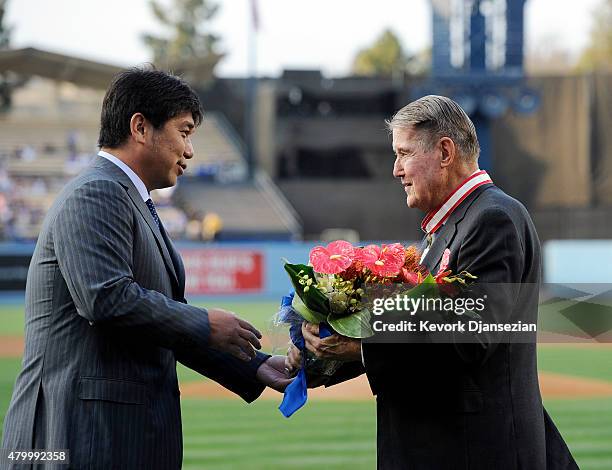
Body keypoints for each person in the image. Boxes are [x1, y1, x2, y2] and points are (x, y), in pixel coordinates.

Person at [1, 68, 290, 470]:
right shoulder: (98, 192)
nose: (189, 151)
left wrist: (257, 367)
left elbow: (163, 324)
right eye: (184, 132)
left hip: (110, 437)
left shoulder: (131, 199)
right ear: (140, 127)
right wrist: (205, 322)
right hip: (77, 438)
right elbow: (104, 298)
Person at [287, 95, 578, 469]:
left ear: (444, 152)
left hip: (474, 452)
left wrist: (361, 347)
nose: (396, 170)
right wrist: (319, 355)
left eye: (404, 153)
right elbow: (418, 335)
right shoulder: (451, 226)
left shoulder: (493, 219)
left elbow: (468, 337)